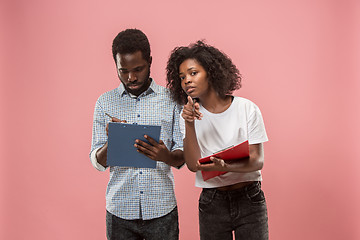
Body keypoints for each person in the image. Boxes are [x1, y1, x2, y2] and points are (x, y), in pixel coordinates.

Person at [166, 40, 269, 240]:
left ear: (211, 73)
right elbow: (193, 165)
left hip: (249, 198)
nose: (187, 80)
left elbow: (257, 161)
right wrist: (189, 123)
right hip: (212, 201)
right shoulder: (186, 115)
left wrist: (226, 165)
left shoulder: (247, 109)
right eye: (182, 77)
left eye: (193, 73)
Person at [90, 29, 184, 240]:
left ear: (150, 61)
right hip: (119, 212)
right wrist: (112, 141)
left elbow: (182, 155)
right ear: (115, 65)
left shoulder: (171, 100)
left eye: (138, 69)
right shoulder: (104, 102)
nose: (131, 77)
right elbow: (97, 161)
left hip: (162, 210)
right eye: (123, 70)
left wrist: (165, 156)